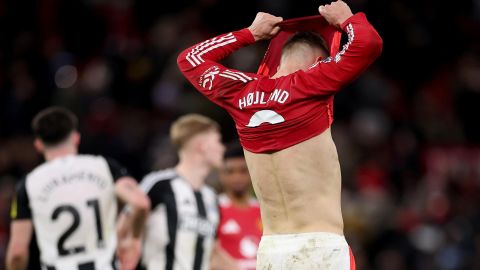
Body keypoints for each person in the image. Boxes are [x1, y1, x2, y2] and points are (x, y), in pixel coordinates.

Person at [177, 1, 382, 269]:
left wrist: (251, 33)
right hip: (320, 248)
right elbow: (369, 44)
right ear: (319, 63)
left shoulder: (241, 94)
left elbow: (189, 59)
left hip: (272, 252)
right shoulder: (311, 83)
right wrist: (347, 19)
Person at [6, 107, 150, 270]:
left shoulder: (28, 184)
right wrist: (132, 240)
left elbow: (17, 252)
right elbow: (140, 203)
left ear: (38, 145)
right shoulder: (104, 167)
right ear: (75, 138)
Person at [117, 114, 239, 270]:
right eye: (218, 141)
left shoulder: (211, 198)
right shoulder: (160, 184)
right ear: (202, 145)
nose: (223, 148)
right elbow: (121, 231)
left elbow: (213, 255)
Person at [216, 144, 262, 270]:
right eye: (230, 172)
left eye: (243, 171)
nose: (237, 177)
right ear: (221, 174)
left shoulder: (263, 210)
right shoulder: (213, 208)